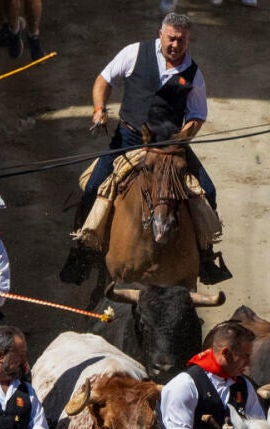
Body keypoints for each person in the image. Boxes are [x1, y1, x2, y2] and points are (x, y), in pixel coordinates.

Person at [60, 13, 226, 286]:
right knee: (92, 187)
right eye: (171, 38)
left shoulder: (193, 74)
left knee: (208, 190)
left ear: (188, 40)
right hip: (128, 139)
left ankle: (205, 257)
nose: (175, 45)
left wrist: (182, 138)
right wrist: (99, 109)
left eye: (181, 40)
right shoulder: (134, 53)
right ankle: (83, 250)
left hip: (169, 147)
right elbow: (104, 80)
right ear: (161, 34)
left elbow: (197, 115)